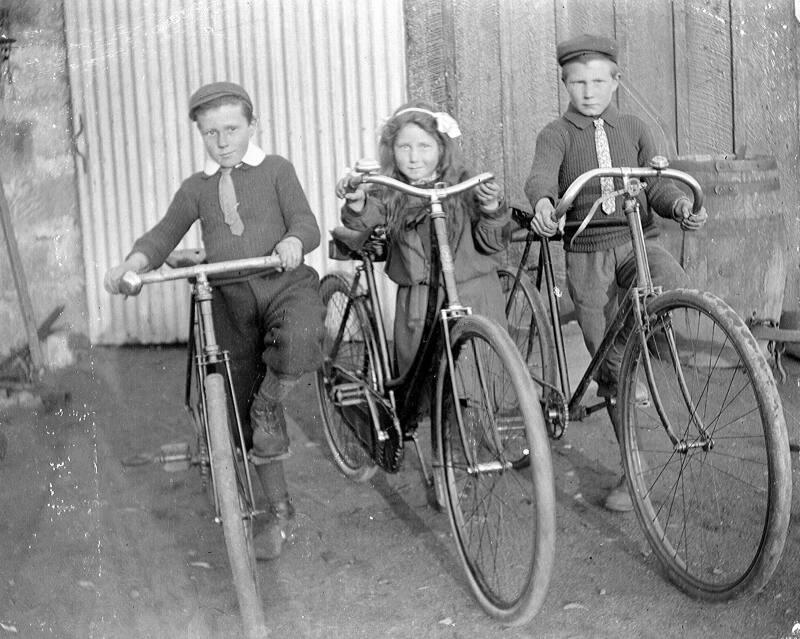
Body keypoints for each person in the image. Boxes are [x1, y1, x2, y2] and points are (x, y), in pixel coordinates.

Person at [104, 81, 325, 559]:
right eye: (211, 133)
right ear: (200, 135)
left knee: (302, 336)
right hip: (228, 299)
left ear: (252, 125)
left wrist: (293, 241)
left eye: (232, 129)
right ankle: (279, 509)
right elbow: (163, 235)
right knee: (238, 410)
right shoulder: (196, 188)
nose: (222, 142)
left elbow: (306, 223)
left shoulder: (276, 170)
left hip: (283, 284)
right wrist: (132, 264)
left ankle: (271, 401)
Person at [524, 35, 708, 512]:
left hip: (637, 240)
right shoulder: (557, 134)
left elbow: (656, 185)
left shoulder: (633, 127)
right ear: (564, 83)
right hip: (588, 255)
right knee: (611, 367)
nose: (589, 91)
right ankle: (634, 471)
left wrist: (679, 204)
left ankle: (626, 353)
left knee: (673, 284)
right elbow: (541, 176)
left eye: (598, 81)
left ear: (616, 81)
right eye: (578, 83)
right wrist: (544, 203)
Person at [337, 101, 511, 382]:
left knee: (479, 380)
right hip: (419, 302)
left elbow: (493, 243)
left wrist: (490, 208)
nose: (414, 157)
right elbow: (365, 217)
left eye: (424, 146)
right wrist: (357, 202)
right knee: (425, 381)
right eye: (404, 147)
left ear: (442, 148)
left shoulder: (465, 184)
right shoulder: (391, 188)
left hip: (474, 294)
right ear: (391, 150)